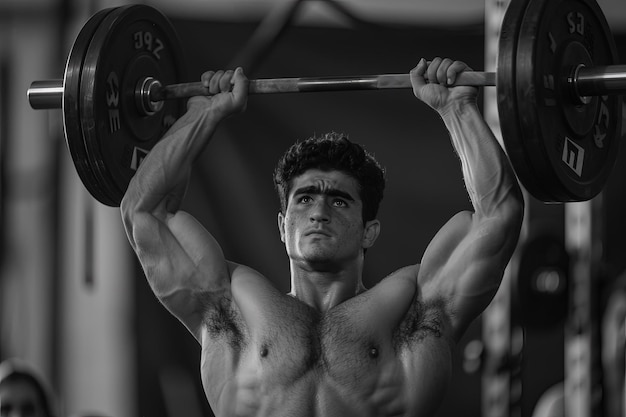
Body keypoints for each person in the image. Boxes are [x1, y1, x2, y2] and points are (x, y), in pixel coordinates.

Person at [121, 58, 524, 416]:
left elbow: (497, 215)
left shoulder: (410, 310)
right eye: (305, 198)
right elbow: (144, 213)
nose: (318, 212)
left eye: (340, 201)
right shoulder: (233, 309)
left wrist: (457, 110)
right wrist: (203, 114)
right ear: (282, 226)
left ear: (370, 231)